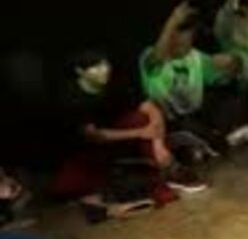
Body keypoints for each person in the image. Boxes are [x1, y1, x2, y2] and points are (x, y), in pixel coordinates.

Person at [54, 49, 205, 203]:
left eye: (105, 64)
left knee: (141, 117)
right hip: (91, 149)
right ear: (80, 71)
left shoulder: (115, 82)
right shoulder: (71, 96)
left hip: (123, 135)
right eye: (96, 67)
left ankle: (169, 169)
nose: (104, 70)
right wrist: (139, 132)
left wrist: (158, 144)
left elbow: (151, 108)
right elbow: (95, 136)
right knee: (67, 186)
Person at [140, 2, 248, 158]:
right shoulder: (151, 56)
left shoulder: (196, 56)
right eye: (181, 38)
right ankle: (208, 143)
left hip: (195, 115)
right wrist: (173, 21)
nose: (186, 43)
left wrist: (233, 63)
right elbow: (157, 56)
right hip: (169, 121)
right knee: (194, 129)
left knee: (230, 101)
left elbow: (225, 76)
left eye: (190, 38)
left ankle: (209, 141)